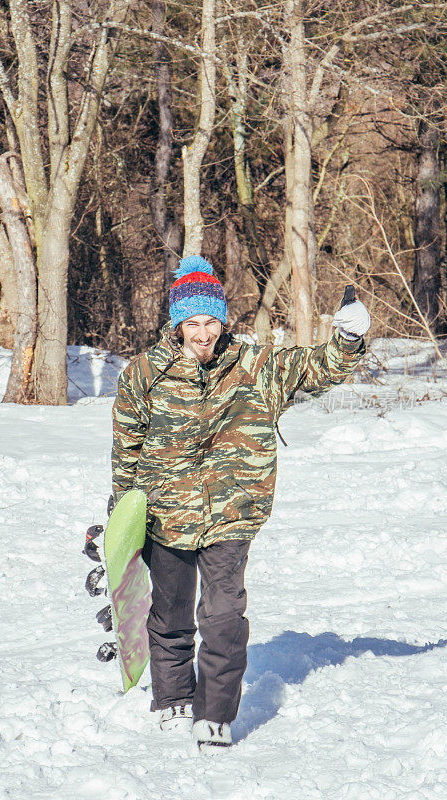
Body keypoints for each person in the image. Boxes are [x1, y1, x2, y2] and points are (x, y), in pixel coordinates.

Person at [111, 255, 370, 752]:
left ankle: (214, 714)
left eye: (211, 321)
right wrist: (122, 511)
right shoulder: (144, 374)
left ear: (222, 319)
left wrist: (349, 339)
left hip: (232, 514)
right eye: (193, 322)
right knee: (168, 616)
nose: (203, 333)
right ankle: (172, 698)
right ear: (177, 322)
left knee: (225, 617)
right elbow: (127, 446)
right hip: (165, 516)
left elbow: (316, 367)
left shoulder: (255, 368)